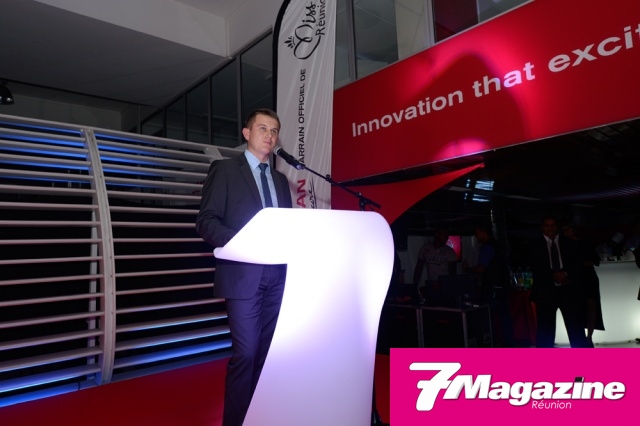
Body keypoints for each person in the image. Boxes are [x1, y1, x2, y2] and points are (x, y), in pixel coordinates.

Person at [196, 108, 293, 426]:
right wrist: (242, 242)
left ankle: (261, 416)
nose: (269, 135)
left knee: (268, 354)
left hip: (278, 274)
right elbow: (206, 221)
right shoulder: (225, 170)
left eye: (274, 130)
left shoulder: (280, 180)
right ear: (247, 133)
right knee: (247, 353)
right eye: (263, 128)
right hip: (243, 274)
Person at [527, 215, 589, 348]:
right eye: (547, 225)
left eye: (553, 225)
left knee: (575, 327)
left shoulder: (569, 243)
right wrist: (553, 275)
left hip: (568, 289)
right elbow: (534, 265)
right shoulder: (534, 245)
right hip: (545, 291)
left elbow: (577, 263)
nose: (550, 228)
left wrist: (565, 274)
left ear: (557, 227)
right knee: (545, 330)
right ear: (542, 227)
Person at [463, 223, 515, 347]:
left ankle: (488, 345)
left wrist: (467, 269)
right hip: (502, 287)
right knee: (505, 317)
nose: (476, 236)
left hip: (492, 288)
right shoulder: (498, 245)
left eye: (477, 233)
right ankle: (509, 344)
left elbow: (481, 269)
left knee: (487, 317)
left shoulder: (487, 247)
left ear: (483, 232)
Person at [561, 222, 604, 347]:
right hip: (579, 277)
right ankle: (586, 337)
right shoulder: (566, 244)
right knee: (582, 307)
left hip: (585, 277)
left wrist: (576, 264)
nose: (565, 232)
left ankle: (588, 336)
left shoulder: (582, 243)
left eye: (567, 229)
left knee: (590, 306)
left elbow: (595, 260)